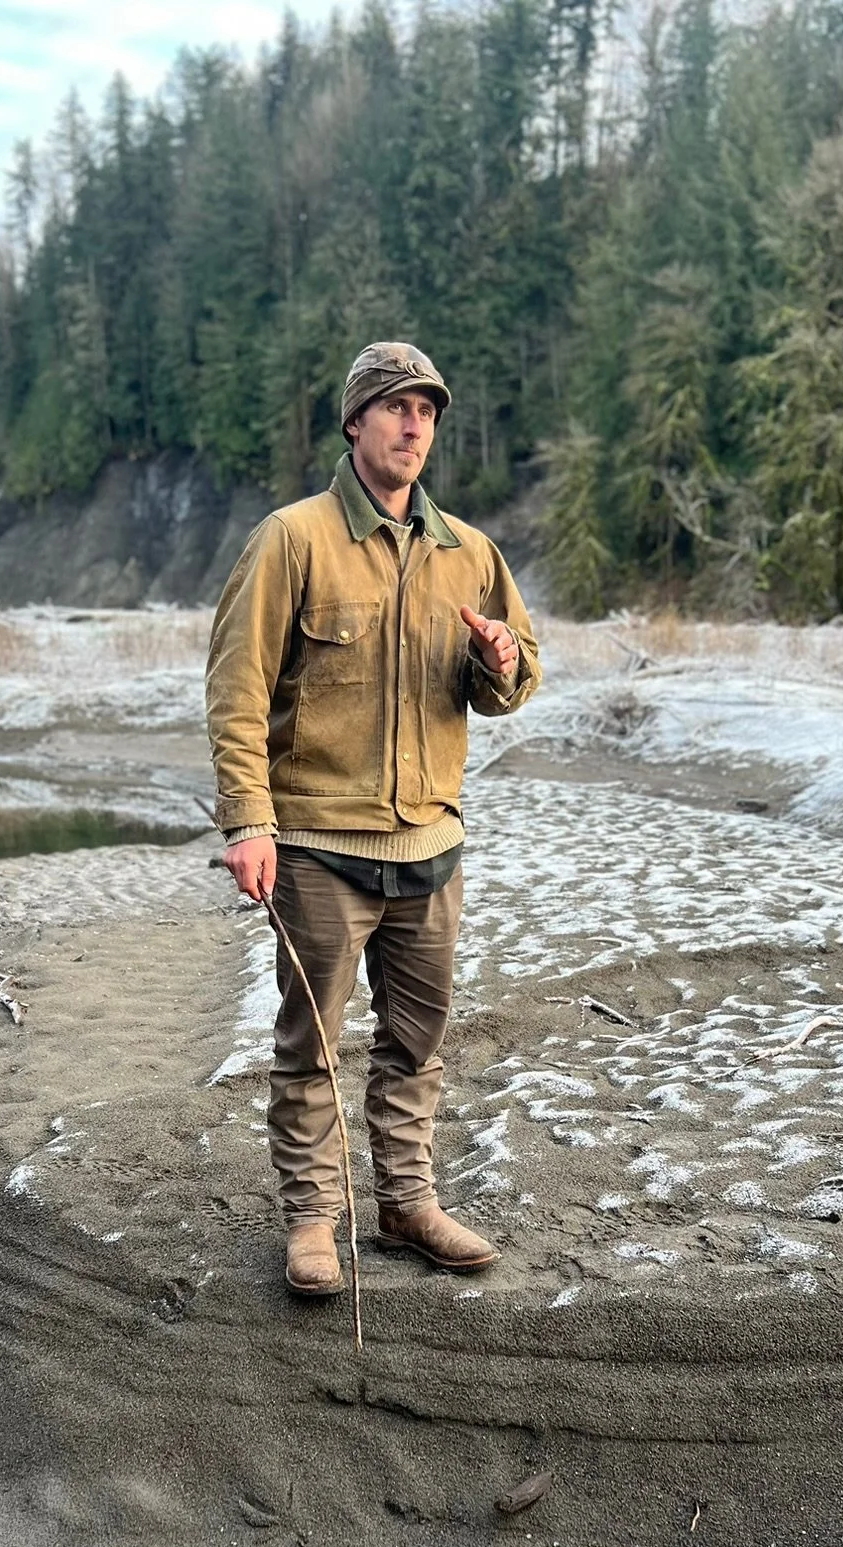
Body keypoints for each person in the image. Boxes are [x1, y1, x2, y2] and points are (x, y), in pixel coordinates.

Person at [204, 340, 542, 1297]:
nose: (413, 425)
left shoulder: (467, 554)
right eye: (395, 407)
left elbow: (513, 682)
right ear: (355, 422)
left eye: (427, 411)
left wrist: (501, 662)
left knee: (417, 1042)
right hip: (316, 845)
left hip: (431, 845)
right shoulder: (293, 539)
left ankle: (405, 1203)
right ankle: (314, 1221)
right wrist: (247, 823)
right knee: (310, 1043)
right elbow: (236, 691)